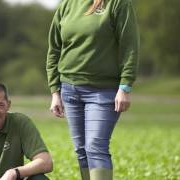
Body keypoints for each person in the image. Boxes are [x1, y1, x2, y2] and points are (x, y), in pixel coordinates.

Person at [46, 0, 139, 179]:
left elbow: (130, 48)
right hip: (69, 90)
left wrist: (125, 86)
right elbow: (54, 50)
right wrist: (54, 91)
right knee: (81, 150)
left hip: (103, 91)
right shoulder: (67, 4)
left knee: (96, 147)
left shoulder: (118, 4)